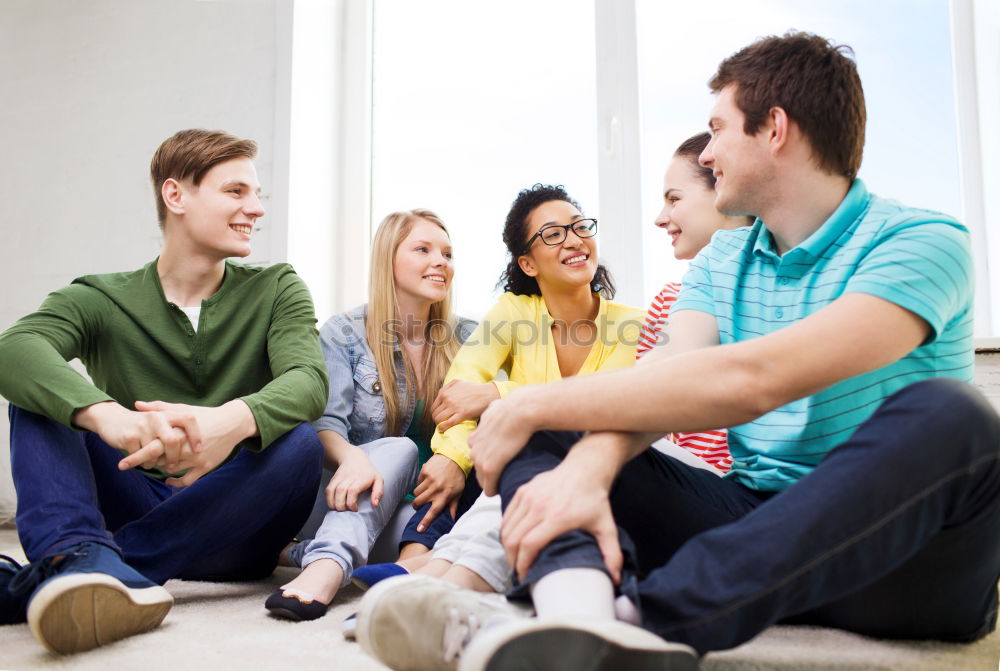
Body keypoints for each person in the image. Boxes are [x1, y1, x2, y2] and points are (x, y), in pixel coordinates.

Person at [355, 32, 1000, 671]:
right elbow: (666, 377)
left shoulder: (924, 242)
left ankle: (641, 620)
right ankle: (578, 625)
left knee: (956, 416)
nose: (709, 151)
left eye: (717, 129)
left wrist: (531, 404)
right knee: (549, 422)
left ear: (774, 128)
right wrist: (579, 454)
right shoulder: (723, 258)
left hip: (909, 563)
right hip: (752, 522)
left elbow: (759, 378)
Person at [0, 129, 328, 654]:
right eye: (236, 191)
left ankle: (68, 567)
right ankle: (78, 557)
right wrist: (111, 417)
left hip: (235, 525)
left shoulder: (277, 287)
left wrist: (228, 422)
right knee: (37, 393)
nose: (256, 208)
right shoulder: (100, 296)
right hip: (135, 494)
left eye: (257, 194)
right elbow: (13, 348)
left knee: (301, 444)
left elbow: (308, 381)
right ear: (175, 195)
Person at [352, 184, 643, 606]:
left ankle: (430, 570)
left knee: (520, 439)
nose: (575, 240)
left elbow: (605, 403)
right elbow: (459, 391)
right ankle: (417, 556)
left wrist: (498, 392)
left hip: (591, 465)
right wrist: (453, 458)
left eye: (580, 227)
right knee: (479, 451)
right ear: (527, 262)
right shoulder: (513, 312)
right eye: (553, 234)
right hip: (517, 465)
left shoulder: (633, 325)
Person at [264, 209, 475, 621]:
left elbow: (496, 416)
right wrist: (353, 457)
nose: (441, 262)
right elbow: (324, 426)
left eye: (447, 254)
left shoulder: (469, 336)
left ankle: (303, 553)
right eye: (423, 249)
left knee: (451, 538)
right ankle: (325, 564)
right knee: (399, 449)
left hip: (417, 507)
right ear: (388, 259)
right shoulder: (344, 333)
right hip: (349, 496)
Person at [638, 130, 753, 473]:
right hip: (679, 475)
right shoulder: (667, 302)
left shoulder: (769, 286)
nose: (660, 218)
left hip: (728, 481)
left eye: (674, 199)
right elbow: (642, 394)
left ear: (722, 186)